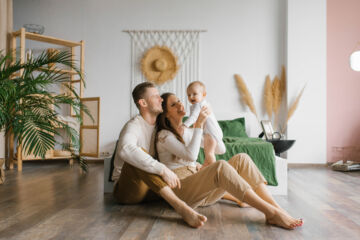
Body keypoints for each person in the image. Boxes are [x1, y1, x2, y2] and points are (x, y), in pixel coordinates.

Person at [154, 92, 304, 230]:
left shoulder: (188, 131)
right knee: (220, 166)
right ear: (166, 114)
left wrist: (209, 122)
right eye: (174, 104)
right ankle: (271, 212)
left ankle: (276, 208)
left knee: (242, 158)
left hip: (200, 190)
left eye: (179, 101)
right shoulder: (164, 136)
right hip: (182, 192)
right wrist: (198, 125)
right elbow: (191, 156)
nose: (181, 105)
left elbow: (221, 148)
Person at [112, 82, 207, 228]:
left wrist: (193, 164)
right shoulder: (133, 125)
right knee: (140, 154)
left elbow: (174, 154)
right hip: (128, 190)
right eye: (156, 96)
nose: (161, 99)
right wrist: (162, 169)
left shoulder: (161, 129)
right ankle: (181, 208)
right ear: (143, 103)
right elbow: (125, 149)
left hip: (154, 189)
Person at [184, 81, 226, 168]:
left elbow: (193, 118)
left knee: (209, 153)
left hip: (211, 133)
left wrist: (184, 125)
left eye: (194, 94)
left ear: (203, 94)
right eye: (188, 95)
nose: (191, 97)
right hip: (212, 133)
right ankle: (206, 167)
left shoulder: (198, 105)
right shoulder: (204, 104)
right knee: (208, 153)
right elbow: (197, 122)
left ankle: (214, 169)